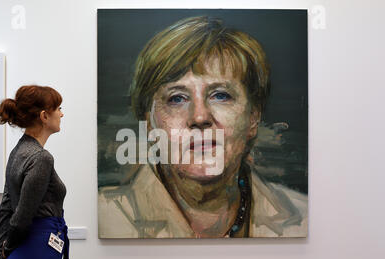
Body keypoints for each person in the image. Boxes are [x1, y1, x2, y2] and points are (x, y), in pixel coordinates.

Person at [98, 16, 308, 238]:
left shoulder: (303, 219)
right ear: (150, 124)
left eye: (221, 95)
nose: (199, 117)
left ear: (253, 119)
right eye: (177, 98)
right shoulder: (105, 218)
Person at [0, 85, 70, 259]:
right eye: (58, 108)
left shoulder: (17, 152)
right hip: (36, 251)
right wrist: (5, 251)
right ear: (44, 116)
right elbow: (22, 216)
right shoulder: (41, 158)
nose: (61, 113)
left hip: (22, 252)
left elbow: (5, 209)